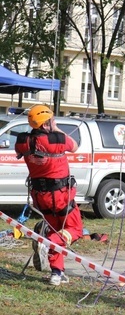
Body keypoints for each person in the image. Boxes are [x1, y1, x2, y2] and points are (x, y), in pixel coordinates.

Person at [15, 104, 83, 286]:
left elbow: (20, 152)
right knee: (74, 230)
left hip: (39, 196)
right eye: (52, 120)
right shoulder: (57, 139)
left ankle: (56, 273)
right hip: (60, 196)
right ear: (46, 124)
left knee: (57, 231)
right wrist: (55, 129)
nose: (54, 123)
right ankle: (46, 243)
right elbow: (75, 146)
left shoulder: (23, 141)